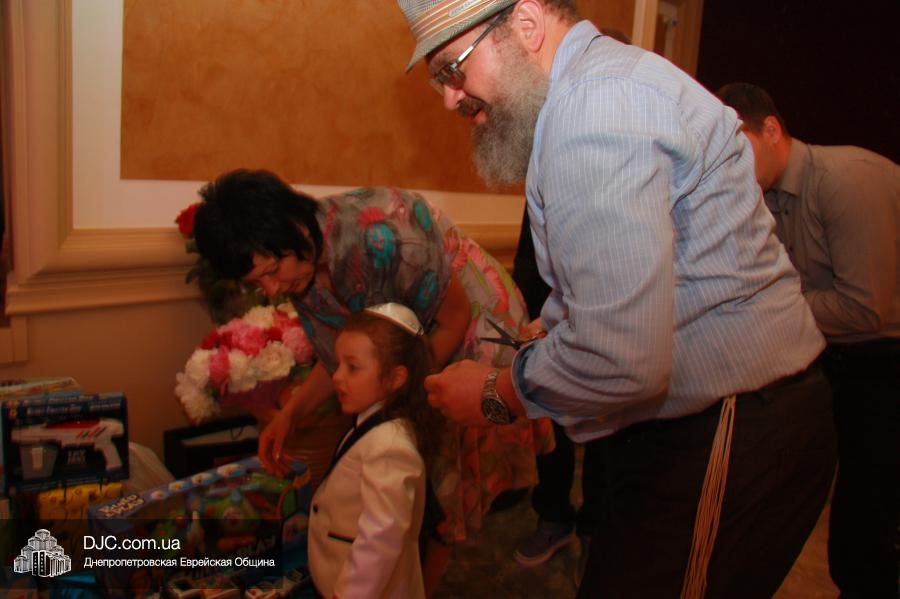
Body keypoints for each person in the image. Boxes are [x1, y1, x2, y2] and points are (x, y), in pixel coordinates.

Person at [392, 1, 837, 596]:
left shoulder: (592, 109)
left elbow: (620, 355)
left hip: (730, 427)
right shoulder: (598, 89)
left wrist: (496, 393)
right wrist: (556, 331)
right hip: (711, 424)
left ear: (527, 25)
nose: (450, 98)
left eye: (453, 68)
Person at [192, 169, 553, 595]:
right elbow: (338, 357)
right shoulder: (299, 269)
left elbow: (453, 319)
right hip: (402, 356)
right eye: (258, 283)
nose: (272, 290)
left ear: (292, 227)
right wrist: (289, 415)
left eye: (271, 271)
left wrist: (396, 398)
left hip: (467, 320)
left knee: (443, 478)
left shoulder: (388, 233)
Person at [717, 82, 900, 599]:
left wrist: (769, 301)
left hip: (884, 360)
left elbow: (864, 309)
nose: (731, 165)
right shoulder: (765, 196)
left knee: (866, 519)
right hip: (833, 355)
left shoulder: (846, 180)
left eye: (738, 148)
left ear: (772, 130)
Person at [512, 25, 633, 573]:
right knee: (553, 428)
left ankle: (599, 528)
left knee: (610, 436)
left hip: (605, 332)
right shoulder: (552, 138)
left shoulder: (614, 149)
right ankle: (554, 517)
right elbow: (533, 246)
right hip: (549, 317)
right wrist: (531, 311)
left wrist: (496, 392)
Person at [307, 304, 440, 599]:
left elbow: (381, 537)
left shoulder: (390, 447)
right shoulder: (371, 421)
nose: (337, 377)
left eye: (352, 367)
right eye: (338, 365)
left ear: (395, 378)